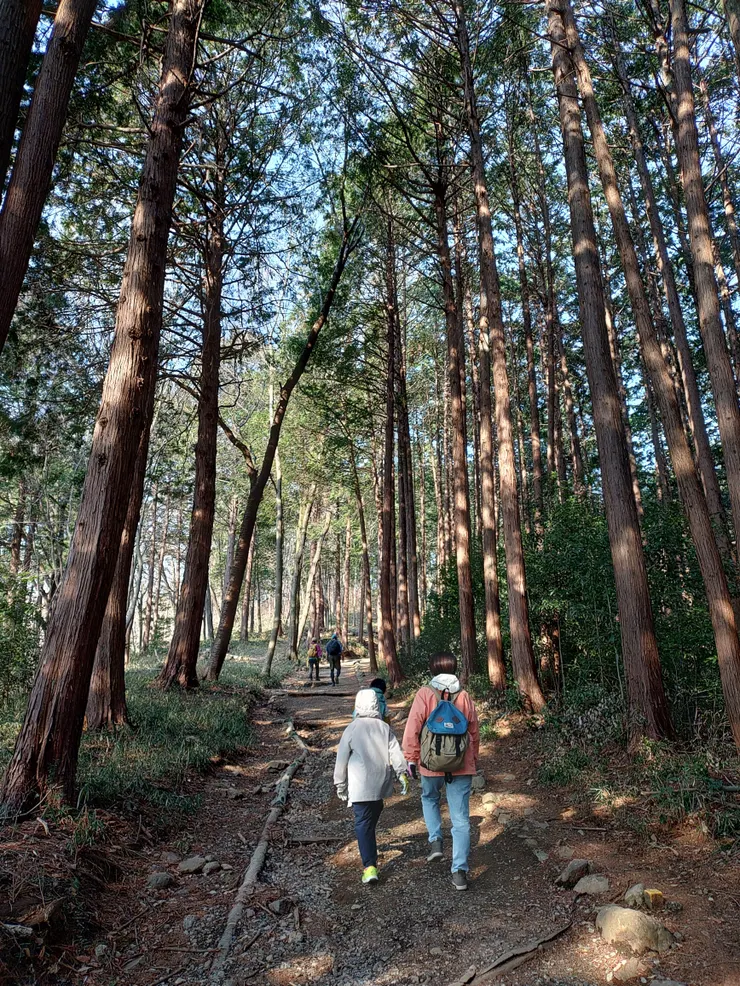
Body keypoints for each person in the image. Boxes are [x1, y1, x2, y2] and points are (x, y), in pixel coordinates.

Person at [402, 652, 480, 892]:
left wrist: (411, 758)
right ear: (454, 668)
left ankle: (436, 841)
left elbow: (413, 727)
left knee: (429, 798)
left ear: (432, 669)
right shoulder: (464, 696)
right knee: (460, 819)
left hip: (430, 763)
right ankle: (459, 872)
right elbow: (474, 731)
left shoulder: (425, 694)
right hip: (461, 764)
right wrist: (473, 760)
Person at [334, 688, 409, 885]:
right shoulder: (384, 727)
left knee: (362, 823)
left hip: (360, 785)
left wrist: (340, 783)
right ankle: (370, 848)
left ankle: (369, 867)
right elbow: (395, 752)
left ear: (357, 705)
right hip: (380, 782)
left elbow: (341, 759)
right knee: (372, 815)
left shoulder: (352, 728)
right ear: (376, 704)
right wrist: (402, 773)